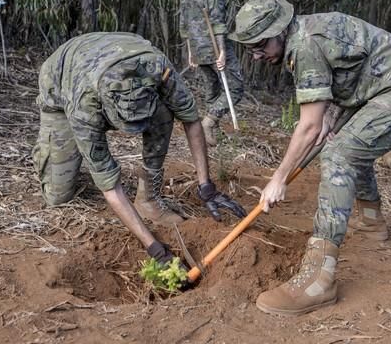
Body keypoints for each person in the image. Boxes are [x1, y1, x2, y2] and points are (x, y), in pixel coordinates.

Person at [228, 0, 391, 316]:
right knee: (349, 147)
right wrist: (334, 110)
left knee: (340, 154)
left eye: (260, 46)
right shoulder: (305, 33)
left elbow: (308, 126)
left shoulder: (304, 46)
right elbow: (349, 72)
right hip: (384, 88)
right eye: (250, 50)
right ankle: (373, 225)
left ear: (279, 31)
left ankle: (319, 280)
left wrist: (279, 178)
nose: (257, 56)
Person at [32, 32, 246, 265]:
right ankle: (54, 152)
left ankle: (148, 199)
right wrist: (154, 247)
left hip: (118, 54)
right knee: (58, 195)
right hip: (62, 78)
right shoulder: (84, 108)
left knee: (163, 113)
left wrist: (206, 186)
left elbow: (191, 120)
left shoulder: (158, 69)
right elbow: (110, 187)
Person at [179, 0, 243, 146]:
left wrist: (190, 50)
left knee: (212, 88)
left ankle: (210, 133)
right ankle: (209, 122)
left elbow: (184, 24)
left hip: (198, 47)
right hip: (214, 46)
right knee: (236, 87)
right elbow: (217, 21)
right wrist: (222, 51)